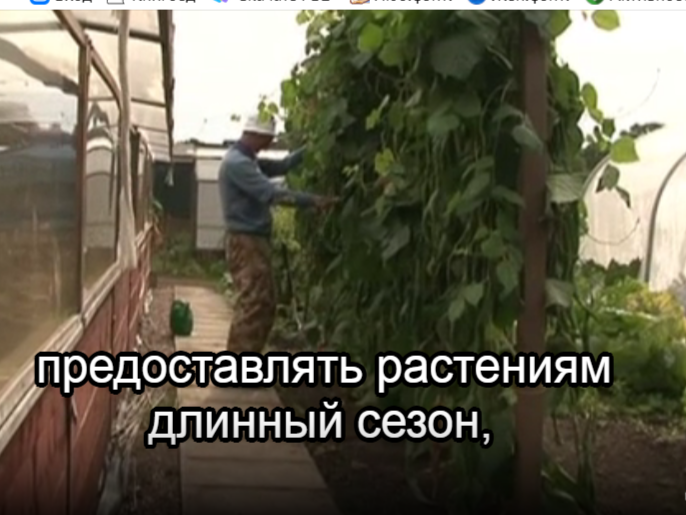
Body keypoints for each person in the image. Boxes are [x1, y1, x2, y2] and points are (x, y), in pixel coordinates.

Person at [218, 113, 336, 355]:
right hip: (246, 242)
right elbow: (273, 194)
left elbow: (283, 166)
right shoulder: (238, 164)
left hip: (252, 241)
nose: (270, 144)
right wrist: (313, 201)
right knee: (253, 303)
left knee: (265, 302)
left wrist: (313, 145)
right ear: (255, 135)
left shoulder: (247, 159)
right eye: (268, 139)